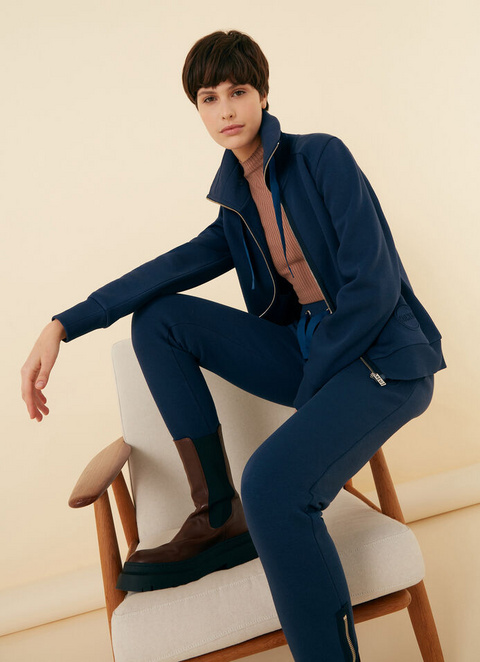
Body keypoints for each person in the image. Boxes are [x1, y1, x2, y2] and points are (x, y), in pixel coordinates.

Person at [21, 30, 445, 662]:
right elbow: (167, 269)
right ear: (197, 109)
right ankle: (218, 512)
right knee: (159, 317)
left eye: (238, 91)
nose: (226, 109)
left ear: (263, 94)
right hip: (311, 350)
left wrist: (314, 383)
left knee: (272, 484)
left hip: (382, 358)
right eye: (209, 98)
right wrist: (62, 324)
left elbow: (375, 286)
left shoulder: (322, 157)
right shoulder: (238, 206)